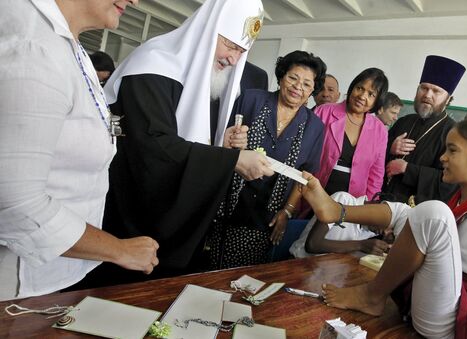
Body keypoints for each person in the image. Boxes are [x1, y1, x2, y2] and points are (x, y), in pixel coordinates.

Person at [300, 116, 467, 338]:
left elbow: (461, 285)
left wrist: (408, 249)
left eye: (452, 150)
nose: (443, 157)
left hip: (452, 323)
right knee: (407, 212)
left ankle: (372, 295)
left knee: (432, 213)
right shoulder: (462, 200)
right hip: (432, 303)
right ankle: (335, 210)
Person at [93, 0, 274, 283]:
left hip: (174, 225)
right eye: (230, 46)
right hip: (131, 221)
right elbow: (151, 148)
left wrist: (222, 145)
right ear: (206, 31)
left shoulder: (209, 80)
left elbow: (189, 141)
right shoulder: (153, 63)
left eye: (242, 51)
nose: (233, 60)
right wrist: (232, 160)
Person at [0, 0, 159, 301]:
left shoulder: (65, 43)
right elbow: (14, 203)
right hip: (14, 283)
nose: (136, 1)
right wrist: (119, 249)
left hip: (49, 273)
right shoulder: (35, 48)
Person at [205, 50, 326, 269]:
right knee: (203, 265)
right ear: (281, 77)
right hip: (225, 199)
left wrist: (287, 211)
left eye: (307, 84)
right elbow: (220, 136)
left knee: (239, 277)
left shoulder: (314, 127)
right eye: (293, 78)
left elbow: (305, 177)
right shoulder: (251, 99)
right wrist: (231, 139)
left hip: (265, 215)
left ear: (311, 91)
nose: (298, 87)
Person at [383, 55, 466, 204]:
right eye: (424, 88)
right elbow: (371, 156)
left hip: (415, 211)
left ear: (448, 99)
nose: (427, 95)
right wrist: (390, 148)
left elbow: (452, 181)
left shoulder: (454, 133)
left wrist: (408, 170)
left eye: (436, 91)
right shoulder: (403, 121)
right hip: (381, 199)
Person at [313, 68, 389, 201]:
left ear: (377, 101)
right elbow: (305, 156)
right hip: (314, 191)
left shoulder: (380, 130)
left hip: (352, 202)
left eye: (371, 94)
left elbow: (376, 175)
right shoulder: (323, 112)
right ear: (352, 87)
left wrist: (368, 209)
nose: (362, 96)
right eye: (360, 88)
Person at [290, 191, 391, 258]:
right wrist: (361, 245)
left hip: (327, 270)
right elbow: (312, 245)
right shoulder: (342, 200)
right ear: (377, 206)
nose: (385, 232)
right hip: (300, 263)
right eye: (388, 223)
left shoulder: (373, 229)